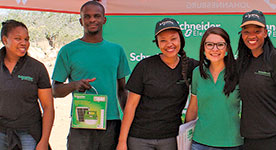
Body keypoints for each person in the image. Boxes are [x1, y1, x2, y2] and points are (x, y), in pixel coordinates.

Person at [51, 1, 130, 150]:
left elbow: (122, 90)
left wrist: (127, 120)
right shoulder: (68, 51)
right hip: (82, 122)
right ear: (81, 21)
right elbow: (55, 90)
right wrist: (74, 85)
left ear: (104, 19)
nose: (92, 20)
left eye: (96, 16)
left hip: (111, 123)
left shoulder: (116, 50)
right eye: (87, 16)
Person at [116, 18, 198, 150]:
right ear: (157, 43)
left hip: (172, 138)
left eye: (173, 39)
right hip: (139, 138)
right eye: (163, 40)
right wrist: (122, 141)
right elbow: (130, 106)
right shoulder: (145, 66)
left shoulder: (192, 66)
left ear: (181, 40)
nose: (169, 44)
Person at [185, 27, 243, 149]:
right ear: (203, 48)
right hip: (200, 143)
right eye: (210, 45)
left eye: (220, 45)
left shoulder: (239, 73)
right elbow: (192, 108)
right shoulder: (197, 73)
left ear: (227, 48)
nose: (215, 49)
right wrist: (184, 136)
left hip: (232, 143)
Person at [0, 20, 54, 150]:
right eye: (18, 38)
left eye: (26, 39)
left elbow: (48, 107)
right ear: (4, 40)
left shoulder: (37, 68)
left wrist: (44, 141)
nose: (24, 43)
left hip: (29, 134)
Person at [237, 10, 276, 150]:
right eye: (246, 31)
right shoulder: (241, 62)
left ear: (265, 33)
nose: (251, 36)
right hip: (248, 138)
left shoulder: (273, 59)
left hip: (272, 138)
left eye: (257, 31)